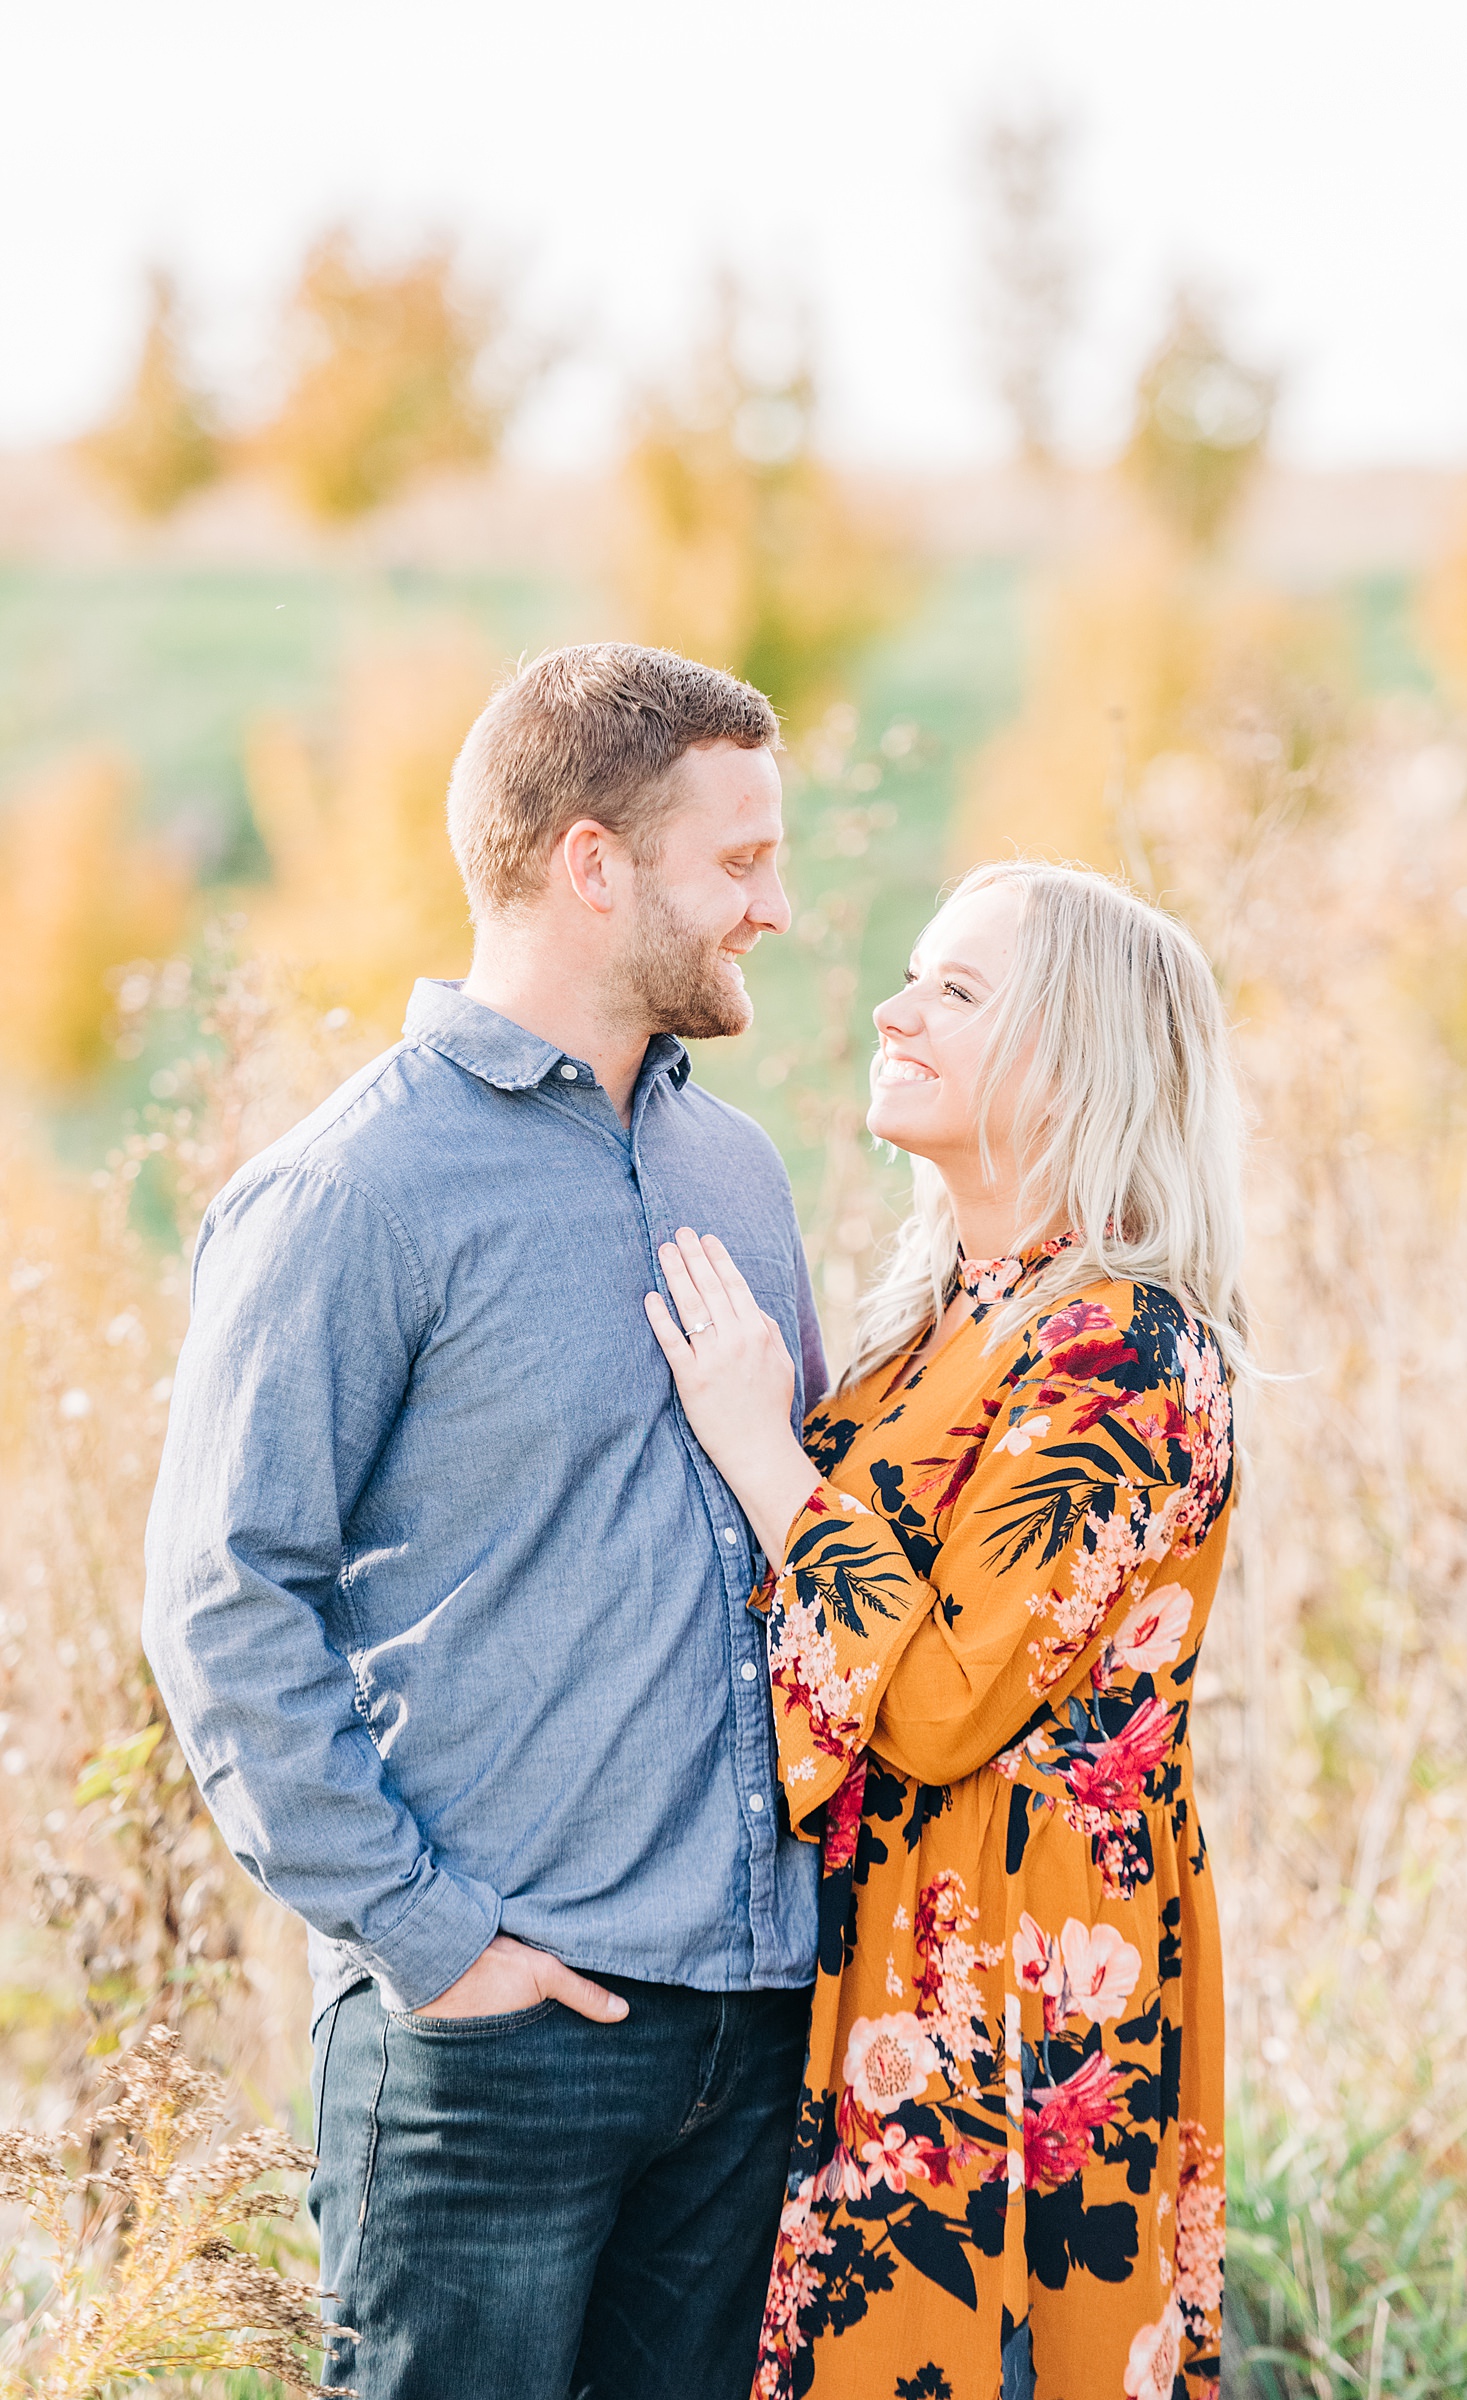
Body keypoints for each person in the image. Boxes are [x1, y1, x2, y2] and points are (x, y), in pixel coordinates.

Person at [143, 644, 828, 2400]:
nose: (779, 907)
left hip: (745, 2029)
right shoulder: (351, 1191)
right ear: (592, 866)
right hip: (489, 2044)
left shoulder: (734, 1173)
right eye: (738, 860)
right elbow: (226, 1600)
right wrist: (434, 1948)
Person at [646, 860, 1243, 2400]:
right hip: (886, 1954)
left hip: (1019, 1997)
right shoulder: (943, 1320)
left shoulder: (1123, 1347)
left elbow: (926, 1709)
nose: (891, 1009)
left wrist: (756, 1444)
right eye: (911, 973)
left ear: (1077, 1060)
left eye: (957, 993)